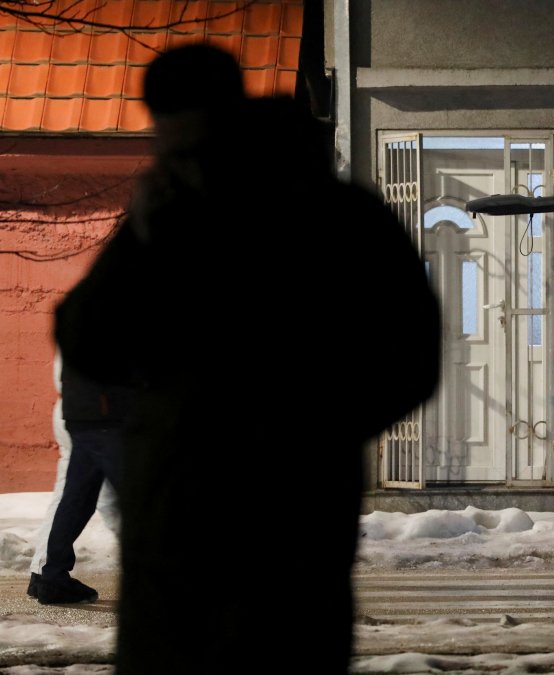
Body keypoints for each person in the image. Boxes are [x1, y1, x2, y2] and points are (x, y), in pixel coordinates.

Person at [54, 44, 439, 674]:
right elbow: (411, 357)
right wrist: (321, 434)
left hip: (218, 504)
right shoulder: (344, 215)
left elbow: (89, 336)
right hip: (280, 508)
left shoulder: (190, 215)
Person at [27, 351, 123, 604]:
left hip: (78, 410)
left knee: (74, 496)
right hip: (108, 414)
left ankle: (48, 574)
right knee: (121, 499)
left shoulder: (78, 314)